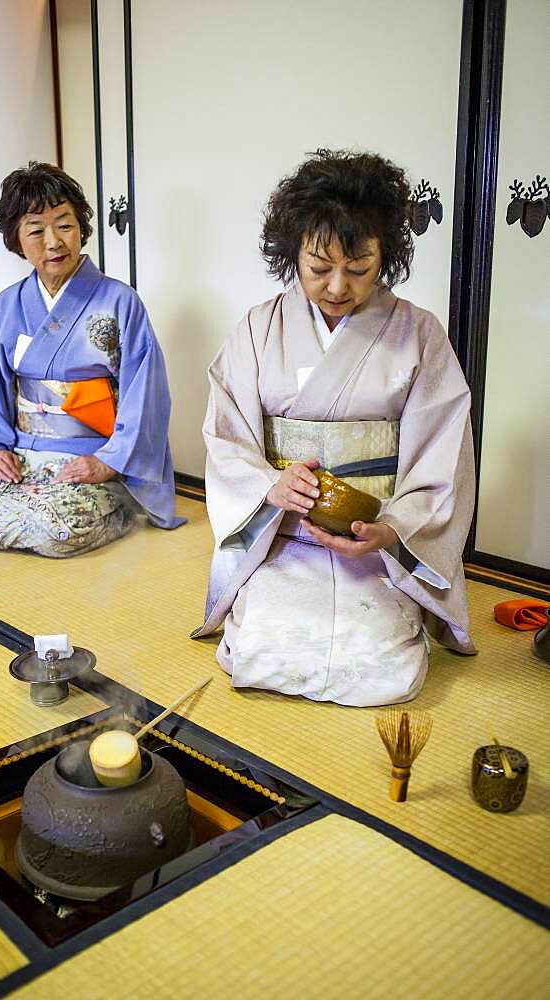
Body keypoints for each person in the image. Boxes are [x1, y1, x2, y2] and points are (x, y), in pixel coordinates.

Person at [192, 149, 476, 706]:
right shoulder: (257, 328)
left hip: (375, 546)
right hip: (284, 536)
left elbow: (442, 454)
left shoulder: (418, 333)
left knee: (381, 666)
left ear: (384, 255)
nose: (338, 286)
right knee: (263, 653)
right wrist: (268, 487)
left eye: (360, 267)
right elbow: (226, 437)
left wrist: (392, 531)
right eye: (319, 267)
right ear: (291, 252)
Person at [0, 161, 183, 558]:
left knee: (56, 533)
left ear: (81, 228)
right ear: (16, 240)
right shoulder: (7, 307)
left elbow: (145, 394)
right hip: (26, 451)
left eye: (64, 224)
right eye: (37, 230)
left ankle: (122, 504)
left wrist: (108, 462)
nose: (54, 242)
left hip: (96, 454)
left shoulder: (119, 302)